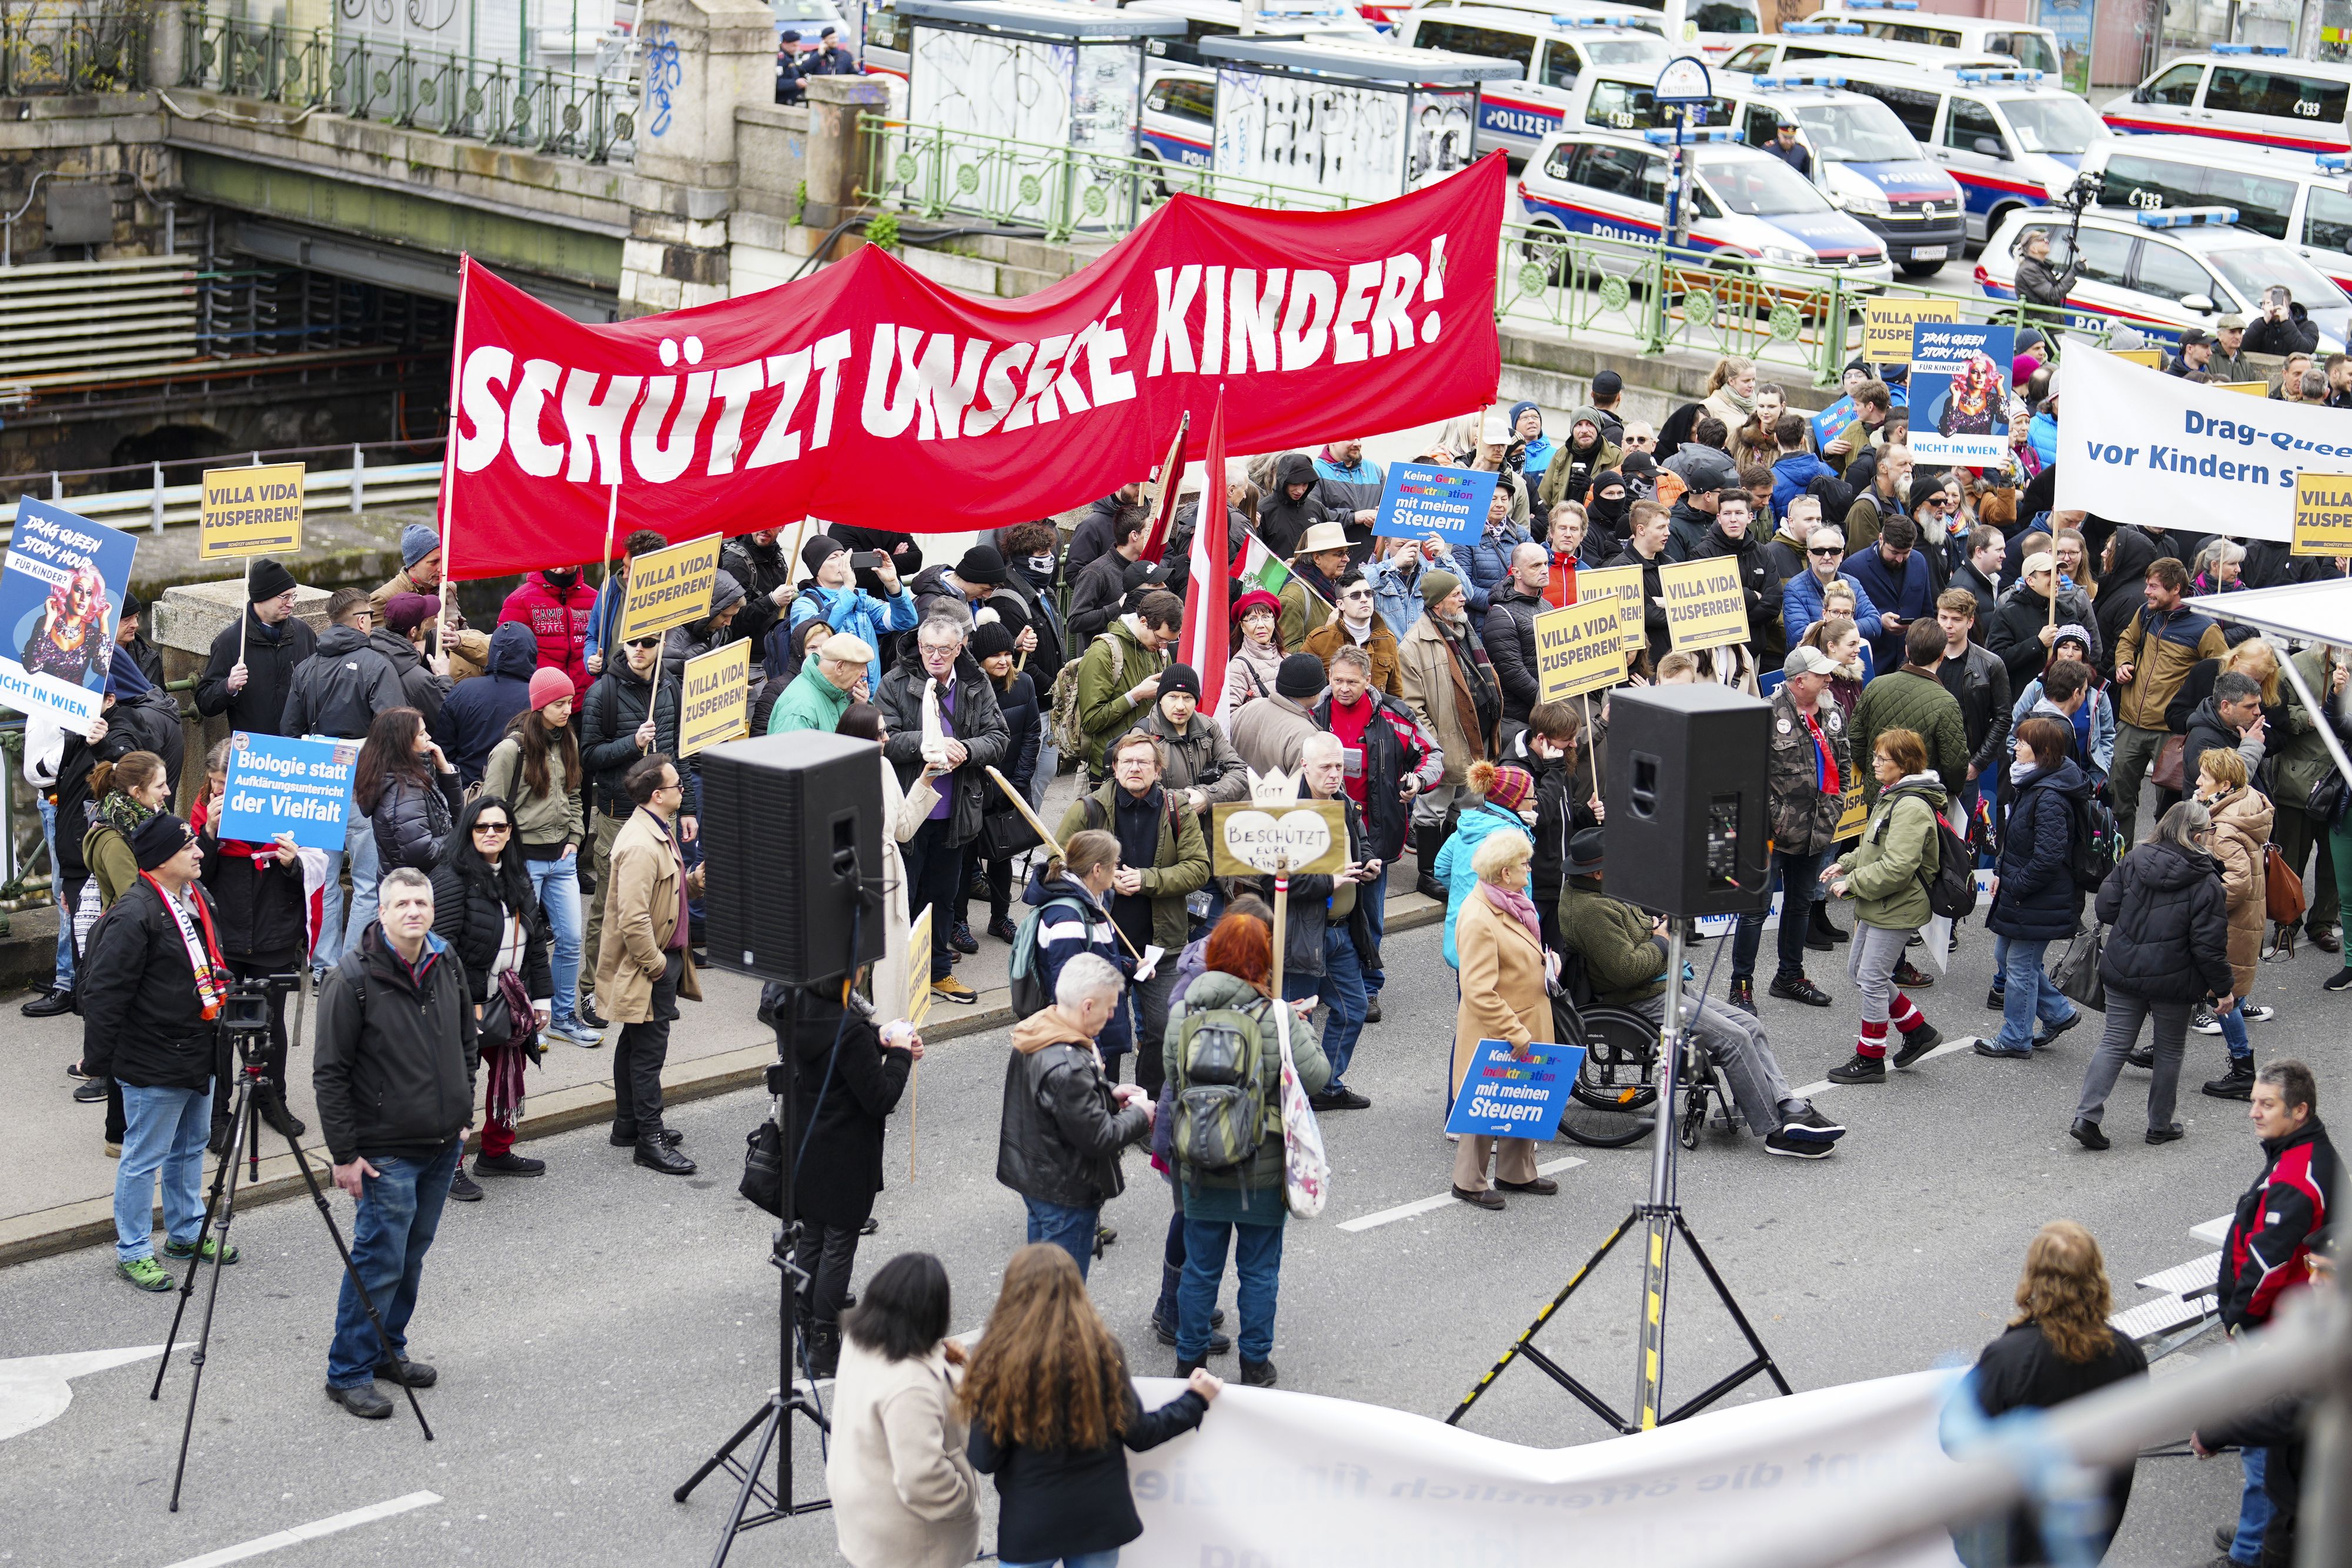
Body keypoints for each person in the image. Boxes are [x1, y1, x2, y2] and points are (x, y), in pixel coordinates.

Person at [1559, 829, 1843, 1157]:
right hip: (1640, 998)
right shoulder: (1593, 911)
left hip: (1661, 984)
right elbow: (1625, 971)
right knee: (1734, 1039)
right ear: (1598, 872)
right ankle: (1774, 1131)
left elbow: (1628, 939)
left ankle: (1786, 1103)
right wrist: (1662, 939)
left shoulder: (1599, 891)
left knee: (1749, 1026)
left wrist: (1653, 929)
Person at [311, 865, 473, 1417]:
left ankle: (387, 1350)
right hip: (385, 1152)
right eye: (401, 904)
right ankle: (348, 1371)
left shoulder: (445, 959)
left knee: (411, 1255)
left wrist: (464, 1112)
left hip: (442, 1141)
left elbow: (466, 1040)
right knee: (379, 1260)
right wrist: (344, 1155)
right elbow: (330, 1073)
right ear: (381, 912)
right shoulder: (350, 977)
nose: (413, 912)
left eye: (421, 903)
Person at [965, 1243, 1218, 1564]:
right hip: (1100, 1519)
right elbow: (1140, 1434)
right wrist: (1195, 1400)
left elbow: (984, 1459)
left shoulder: (997, 1360)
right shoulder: (1102, 1349)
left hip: (1030, 1524)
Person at [1165, 910, 1328, 1382]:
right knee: (1259, 1269)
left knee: (1200, 1269)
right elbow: (1316, 1077)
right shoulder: (1275, 1014)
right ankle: (1255, 1363)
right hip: (1263, 1163)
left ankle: (1189, 1358)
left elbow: (1174, 1080)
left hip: (1199, 1158)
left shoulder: (1183, 1013)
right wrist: (1302, 1024)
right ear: (1263, 959)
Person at [81, 813, 231, 1292]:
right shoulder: (134, 912)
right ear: (163, 858)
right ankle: (133, 1250)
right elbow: (104, 992)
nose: (200, 852)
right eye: (190, 846)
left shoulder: (197, 897)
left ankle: (186, 1233)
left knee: (190, 1146)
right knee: (144, 1157)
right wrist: (98, 1061)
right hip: (153, 1057)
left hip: (198, 1048)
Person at [1956, 1221, 2147, 1568]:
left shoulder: (2010, 1357)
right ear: (2096, 1277)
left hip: (2014, 1540)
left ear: (2034, 1279)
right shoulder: (2129, 1355)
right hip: (2091, 1528)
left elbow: (1957, 1442)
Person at [2211, 1060, 2337, 1568]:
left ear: (2300, 1110)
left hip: (2274, 1330)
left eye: (2266, 1104)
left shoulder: (2297, 1176)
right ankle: (2255, 1529)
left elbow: (2266, 1263)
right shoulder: (2303, 1151)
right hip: (2284, 1324)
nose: (2254, 1112)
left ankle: (2249, 1553)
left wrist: (2238, 1322)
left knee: (2263, 1447)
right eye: (2253, 1102)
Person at [2070, 802, 2234, 1150]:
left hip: (2124, 967)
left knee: (2114, 1043)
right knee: (2170, 1051)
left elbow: (2105, 908)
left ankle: (2086, 1117)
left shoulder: (2134, 859)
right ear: (2197, 835)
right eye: (2210, 831)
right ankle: (2159, 1125)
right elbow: (2208, 947)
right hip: (2174, 981)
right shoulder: (2207, 882)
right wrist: (2223, 991)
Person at [1057, 732, 1211, 1096]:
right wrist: (1106, 883)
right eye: (1126, 762)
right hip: (1101, 946)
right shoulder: (1089, 809)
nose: (1135, 768)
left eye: (1144, 762)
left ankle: (1148, 1108)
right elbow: (1056, 863)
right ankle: (1101, 1110)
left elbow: (1200, 868)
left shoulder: (1178, 809)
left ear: (1159, 770)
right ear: (1114, 767)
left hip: (1161, 946)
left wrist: (1146, 880)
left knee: (1161, 1031)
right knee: (1102, 1035)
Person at [784, 975, 921, 1378]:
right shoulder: (850, 1031)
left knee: (812, 1236)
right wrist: (898, 1054)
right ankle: (825, 1343)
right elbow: (880, 1097)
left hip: (808, 1144)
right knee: (839, 1245)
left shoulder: (802, 1009)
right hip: (846, 1155)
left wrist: (880, 1035)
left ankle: (805, 1332)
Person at [997, 951, 1153, 1276]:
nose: (1111, 1016)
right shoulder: (1070, 1065)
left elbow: (1053, 1101)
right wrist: (1141, 1115)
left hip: (1037, 1179)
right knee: (1062, 1299)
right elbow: (1101, 1137)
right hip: (1065, 1192)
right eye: (1110, 1008)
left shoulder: (1039, 1030)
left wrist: (1107, 1091)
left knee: (1040, 1285)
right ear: (1087, 1007)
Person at [881, 613, 1011, 1004]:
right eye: (928, 648)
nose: (935, 656)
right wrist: (928, 742)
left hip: (956, 811)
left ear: (960, 648)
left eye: (944, 649)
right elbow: (883, 739)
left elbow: (999, 737)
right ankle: (895, 979)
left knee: (942, 897)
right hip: (910, 811)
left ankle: (938, 972)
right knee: (902, 901)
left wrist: (967, 750)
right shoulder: (895, 682)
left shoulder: (975, 683)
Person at [1311, 645, 1443, 1020]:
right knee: (1322, 910)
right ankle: (1326, 982)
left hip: (1376, 832)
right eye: (1337, 680)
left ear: (1368, 681)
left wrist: (1417, 781)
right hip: (1325, 832)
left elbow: (1433, 756)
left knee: (1370, 914)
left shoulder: (1396, 715)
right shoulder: (1313, 714)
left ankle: (1369, 987)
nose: (1344, 688)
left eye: (1352, 682)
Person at [429, 795, 552, 1198]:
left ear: (510, 832)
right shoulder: (450, 877)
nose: (491, 833)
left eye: (500, 827)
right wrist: (467, 1003)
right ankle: (449, 1167)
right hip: (466, 1000)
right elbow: (441, 949)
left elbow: (535, 943)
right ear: (469, 830)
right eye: (483, 827)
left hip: (511, 997)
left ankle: (496, 1153)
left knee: (508, 1074)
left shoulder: (518, 874)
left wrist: (542, 999)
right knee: (458, 1087)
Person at [826, 1253, 982, 1568]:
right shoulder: (910, 1386)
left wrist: (945, 1359)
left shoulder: (861, 1339)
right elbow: (923, 1477)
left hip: (865, 1505)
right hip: (912, 1542)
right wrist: (964, 1501)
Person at [191, 741, 308, 1146]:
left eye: (228, 783)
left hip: (274, 932)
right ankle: (219, 1112)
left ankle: (271, 1099)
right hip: (227, 935)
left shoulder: (283, 808)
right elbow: (195, 878)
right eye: (215, 783)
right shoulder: (203, 811)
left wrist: (294, 863)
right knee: (223, 1026)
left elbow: (311, 879)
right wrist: (207, 834)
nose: (220, 791)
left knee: (269, 1023)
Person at [287, 588, 409, 964]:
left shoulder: (306, 667)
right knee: (368, 883)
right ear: (362, 621)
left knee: (321, 882)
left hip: (317, 786)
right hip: (363, 786)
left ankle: (323, 966)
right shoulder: (377, 664)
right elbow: (396, 730)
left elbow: (289, 732)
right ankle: (352, 968)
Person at [596, 754, 703, 1175]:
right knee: (648, 1052)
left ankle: (628, 1124)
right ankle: (649, 1138)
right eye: (678, 785)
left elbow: (664, 897)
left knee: (635, 1042)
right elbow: (634, 916)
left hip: (657, 958)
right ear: (658, 795)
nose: (683, 790)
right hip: (651, 963)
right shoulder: (641, 843)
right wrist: (656, 965)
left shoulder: (656, 827)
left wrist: (693, 884)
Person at [1733, 647, 1855, 1013]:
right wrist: (1778, 817)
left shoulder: (1832, 712)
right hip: (1769, 834)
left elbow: (1844, 765)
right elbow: (1749, 779)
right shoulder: (1766, 716)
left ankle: (1790, 976)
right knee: (1755, 910)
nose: (1829, 680)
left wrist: (1833, 811)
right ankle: (1741, 986)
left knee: (1800, 905)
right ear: (1799, 680)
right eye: (1821, 675)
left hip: (1816, 832)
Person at [1825, 728, 1949, 1085]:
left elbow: (1897, 866)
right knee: (1860, 974)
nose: (1875, 763)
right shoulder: (1894, 795)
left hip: (1898, 905)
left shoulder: (1910, 805)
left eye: (1883, 759)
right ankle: (1918, 1031)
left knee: (1873, 979)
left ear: (1905, 764)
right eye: (1876, 756)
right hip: (1882, 902)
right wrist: (1847, 863)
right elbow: (1874, 847)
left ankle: (1871, 1058)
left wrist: (1853, 883)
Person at [481, 668, 594, 1047]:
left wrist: (576, 838)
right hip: (523, 861)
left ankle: (562, 1017)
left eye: (569, 701)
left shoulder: (568, 741)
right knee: (522, 944)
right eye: (559, 703)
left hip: (562, 858)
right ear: (540, 705)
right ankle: (525, 1019)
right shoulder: (510, 750)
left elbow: (576, 794)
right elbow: (490, 810)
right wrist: (504, 859)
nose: (567, 709)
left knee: (571, 938)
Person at [1449, 831, 1559, 1209]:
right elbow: (1478, 990)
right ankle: (1467, 1182)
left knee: (1519, 1100)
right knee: (1485, 1107)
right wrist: (1514, 1032)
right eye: (1524, 863)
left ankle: (1516, 1172)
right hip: (1499, 1028)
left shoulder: (1514, 901)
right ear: (1503, 872)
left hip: (1525, 1019)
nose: (1530, 867)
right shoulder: (1479, 917)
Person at [1977, 716, 2090, 1060]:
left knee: (2021, 967)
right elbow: (2017, 841)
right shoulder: (2034, 783)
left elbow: (2048, 858)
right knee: (2006, 958)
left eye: (2023, 743)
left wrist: (2017, 887)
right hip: (2024, 892)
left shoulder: (2050, 797)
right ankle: (2058, 1013)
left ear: (2042, 752)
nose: (2015, 747)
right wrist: (2000, 871)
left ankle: (2015, 1037)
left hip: (2037, 896)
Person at [2111, 558, 2229, 843]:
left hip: (2171, 733)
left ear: (2176, 588)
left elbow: (2224, 672)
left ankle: (2161, 861)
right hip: (2130, 724)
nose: (2147, 592)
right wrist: (2124, 662)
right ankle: (2120, 863)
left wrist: (2197, 712)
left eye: (2153, 586)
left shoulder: (2205, 628)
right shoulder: (2146, 614)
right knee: (2118, 799)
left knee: (2170, 808)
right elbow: (2127, 640)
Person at [1398, 570, 1502, 884]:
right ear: (1439, 602)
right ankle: (1428, 875)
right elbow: (1413, 708)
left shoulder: (1465, 629)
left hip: (1475, 741)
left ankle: (1457, 871)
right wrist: (1436, 746)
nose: (1464, 599)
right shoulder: (1413, 645)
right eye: (1457, 594)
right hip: (1443, 746)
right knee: (1432, 811)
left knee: (1470, 809)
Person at [2196, 748, 2273, 1099]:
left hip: (2231, 925)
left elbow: (2237, 884)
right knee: (2221, 995)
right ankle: (2162, 1049)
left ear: (2224, 784)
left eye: (2205, 778)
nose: (2198, 782)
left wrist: (2202, 907)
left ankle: (2243, 1070)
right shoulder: (2249, 800)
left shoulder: (2224, 829)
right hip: (2245, 922)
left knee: (2222, 998)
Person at [970, 621, 1043, 942]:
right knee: (965, 860)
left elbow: (1031, 735)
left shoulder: (1024, 684)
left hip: (1011, 784)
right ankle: (959, 921)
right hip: (974, 788)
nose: (1004, 661)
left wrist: (1019, 780)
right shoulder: (969, 691)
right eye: (995, 656)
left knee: (1001, 856)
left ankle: (1000, 918)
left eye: (1007, 654)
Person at [2272, 643, 2346, 955]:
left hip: (2341, 782)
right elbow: (2275, 708)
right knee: (2292, 861)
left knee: (2334, 863)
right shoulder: (2298, 666)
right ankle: (2286, 924)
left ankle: (2323, 923)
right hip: (2298, 778)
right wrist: (2311, 717)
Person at [194, 558, 317, 739]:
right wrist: (228, 686)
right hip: (254, 752)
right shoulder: (230, 641)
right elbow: (205, 702)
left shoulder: (303, 632)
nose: (291, 604)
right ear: (262, 597)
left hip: (298, 746)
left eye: (293, 596)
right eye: (285, 597)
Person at [1854, 620, 1972, 806]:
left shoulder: (1875, 686)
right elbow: (1955, 765)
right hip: (1921, 803)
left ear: (1907, 650)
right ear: (1942, 655)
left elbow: (1856, 739)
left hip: (1879, 797)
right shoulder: (1947, 703)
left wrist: (1878, 771)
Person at [1434, 760, 1535, 972]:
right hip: (1498, 942)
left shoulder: (1468, 825)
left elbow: (1441, 867)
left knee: (1469, 997)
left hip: (1462, 935)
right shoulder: (1512, 840)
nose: (1534, 803)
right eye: (1531, 798)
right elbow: (1522, 891)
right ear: (1513, 801)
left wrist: (1463, 890)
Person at [1073, 591, 1179, 785]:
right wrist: (1135, 695)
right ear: (1144, 622)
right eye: (1161, 638)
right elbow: (1091, 721)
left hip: (1151, 767)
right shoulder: (1103, 652)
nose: (1164, 646)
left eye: (1171, 641)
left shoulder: (1159, 652)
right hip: (1112, 771)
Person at [1936, 589, 2013, 834]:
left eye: (1956, 620)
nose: (1948, 626)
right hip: (1926, 765)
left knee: (1961, 842)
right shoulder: (1922, 657)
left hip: (1965, 766)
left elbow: (2003, 717)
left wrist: (1978, 763)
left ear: (1970, 622)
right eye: (1943, 618)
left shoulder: (1990, 664)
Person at [357, 705, 465, 877]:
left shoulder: (409, 777)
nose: (429, 738)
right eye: (422, 734)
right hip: (418, 888)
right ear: (403, 743)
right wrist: (463, 838)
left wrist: (446, 771)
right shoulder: (406, 789)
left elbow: (454, 818)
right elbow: (423, 853)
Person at [783, 534, 918, 669]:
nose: (843, 562)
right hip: (832, 689)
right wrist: (848, 589)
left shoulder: (862, 599)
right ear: (817, 569)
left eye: (843, 556)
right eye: (834, 558)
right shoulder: (804, 604)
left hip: (869, 689)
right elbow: (814, 640)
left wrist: (893, 584)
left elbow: (906, 622)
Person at [433, 621, 540, 788]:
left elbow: (444, 752)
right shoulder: (537, 697)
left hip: (469, 791)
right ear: (530, 652)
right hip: (521, 793)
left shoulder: (461, 690)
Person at [496, 563, 596, 705]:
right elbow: (510, 657)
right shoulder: (519, 600)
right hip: (541, 703)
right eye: (556, 564)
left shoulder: (595, 599)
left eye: (568, 564)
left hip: (586, 701)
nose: (561, 570)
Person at [1782, 526, 1885, 653]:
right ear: (1809, 555)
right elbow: (1798, 636)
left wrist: (1830, 627)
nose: (1826, 556)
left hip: (1849, 665)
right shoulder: (1794, 588)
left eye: (1834, 551)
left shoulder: (1853, 584)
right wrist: (1846, 628)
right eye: (1819, 551)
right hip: (1811, 667)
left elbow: (1874, 623)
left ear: (1842, 555)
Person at [1481, 541, 1550, 728]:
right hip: (1519, 718)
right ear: (1517, 572)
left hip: (1544, 711)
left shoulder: (1546, 605)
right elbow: (1512, 673)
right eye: (1536, 565)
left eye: (1546, 563)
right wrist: (1546, 700)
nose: (1545, 570)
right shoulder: (1500, 614)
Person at [1305, 567, 1402, 697]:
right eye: (1355, 595)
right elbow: (1306, 691)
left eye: (1368, 593)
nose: (1364, 599)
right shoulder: (1318, 640)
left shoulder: (1388, 639)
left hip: (1376, 715)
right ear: (1340, 604)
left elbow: (1396, 694)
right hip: (1333, 715)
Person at [1228, 650, 1328, 777]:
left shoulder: (1249, 707)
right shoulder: (1306, 735)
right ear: (1314, 693)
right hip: (1280, 798)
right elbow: (1306, 791)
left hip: (1238, 796)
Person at [373, 593, 451, 727]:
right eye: (425, 621)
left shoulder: (366, 655)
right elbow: (446, 718)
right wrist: (444, 677)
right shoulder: (420, 680)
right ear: (413, 631)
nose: (428, 624)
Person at [1216, 589, 1287, 720]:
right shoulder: (1238, 667)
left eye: (1266, 617)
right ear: (1242, 627)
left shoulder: (1287, 659)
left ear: (1274, 621)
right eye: (1252, 619)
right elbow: (1231, 718)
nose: (1260, 625)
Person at [2014, 228, 2079, 318]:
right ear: (2033, 249)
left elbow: (2054, 289)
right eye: (2042, 240)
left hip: (2041, 324)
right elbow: (2053, 294)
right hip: (2038, 325)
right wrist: (2074, 271)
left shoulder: (2038, 266)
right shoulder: (2028, 269)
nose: (2047, 242)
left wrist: (2073, 272)